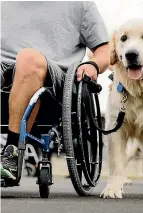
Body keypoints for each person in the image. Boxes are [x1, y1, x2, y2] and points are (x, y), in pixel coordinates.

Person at [1, 1, 110, 180]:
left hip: (52, 76)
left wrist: (93, 65)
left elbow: (104, 50)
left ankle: (12, 154)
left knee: (28, 59)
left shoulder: (80, 4)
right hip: (3, 67)